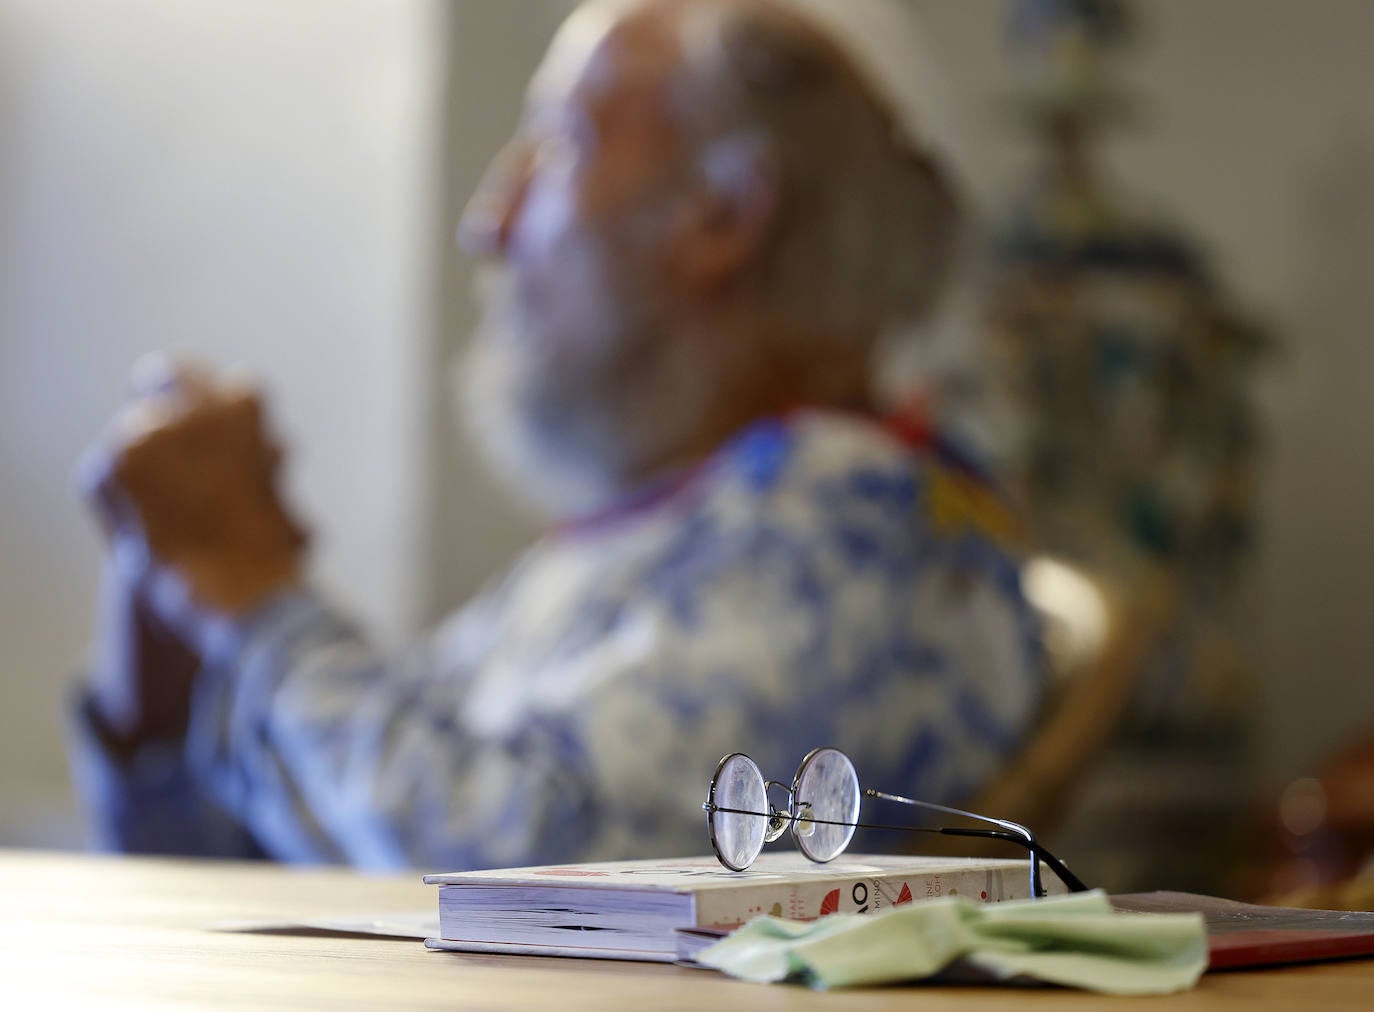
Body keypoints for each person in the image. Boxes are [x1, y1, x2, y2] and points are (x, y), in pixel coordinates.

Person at [69, 0, 1044, 870]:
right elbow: (265, 865)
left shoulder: (857, 532)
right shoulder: (689, 522)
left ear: (724, 217)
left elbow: (539, 877)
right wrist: (173, 601)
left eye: (557, 144)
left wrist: (248, 589)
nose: (489, 221)